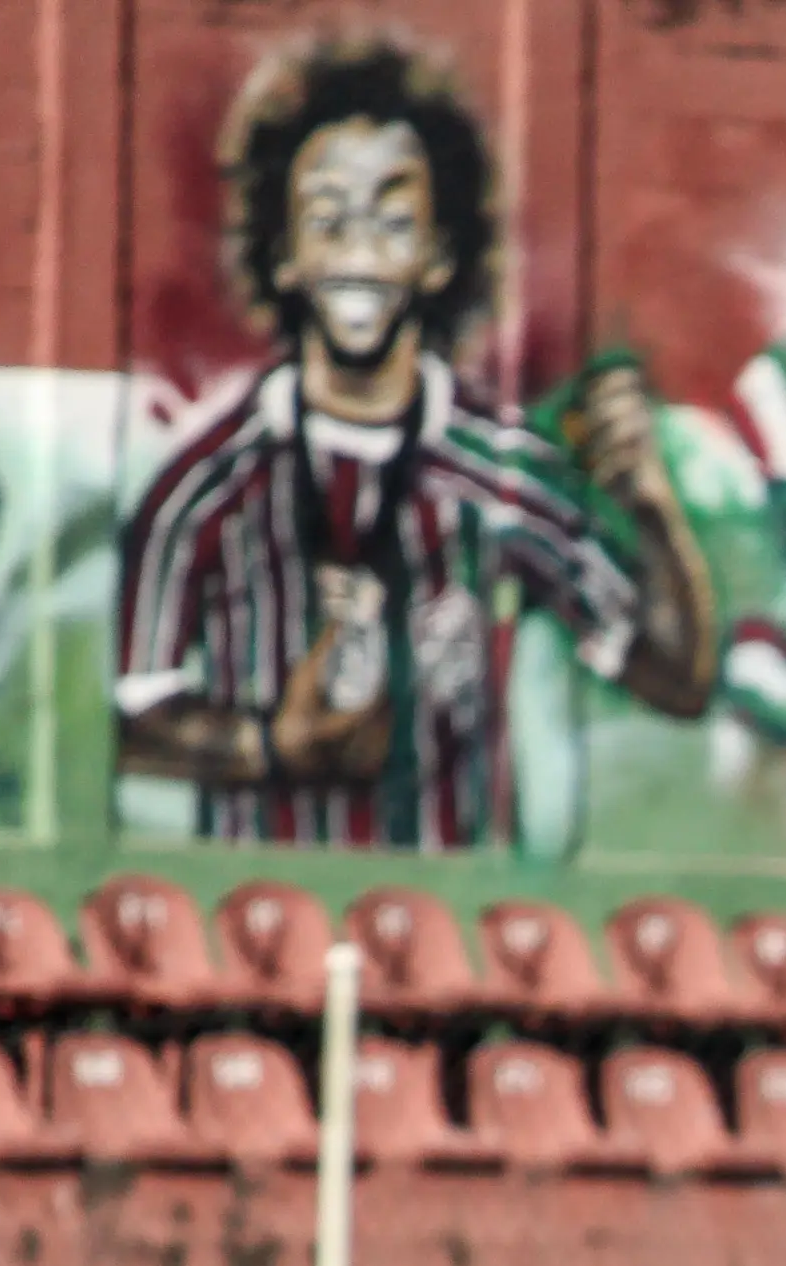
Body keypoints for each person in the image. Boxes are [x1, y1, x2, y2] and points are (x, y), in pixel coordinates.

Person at [116, 33, 714, 847]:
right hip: (261, 911)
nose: (359, 252)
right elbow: (126, 715)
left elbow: (676, 679)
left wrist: (650, 508)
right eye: (329, 220)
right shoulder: (204, 489)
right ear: (285, 256)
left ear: (437, 258)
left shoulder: (505, 476)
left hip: (445, 907)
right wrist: (268, 747)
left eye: (393, 220)